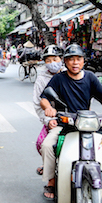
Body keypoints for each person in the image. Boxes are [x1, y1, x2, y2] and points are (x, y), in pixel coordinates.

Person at [38, 44, 102, 199]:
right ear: (65, 62)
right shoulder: (59, 78)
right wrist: (48, 109)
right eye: (71, 59)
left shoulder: (90, 77)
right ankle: (51, 180)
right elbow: (44, 99)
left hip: (87, 122)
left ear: (83, 61)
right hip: (65, 123)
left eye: (78, 59)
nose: (75, 63)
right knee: (47, 146)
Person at [32, 45, 63, 176]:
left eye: (55, 59)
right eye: (48, 60)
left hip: (75, 116)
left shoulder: (72, 74)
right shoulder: (42, 79)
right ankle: (50, 173)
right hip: (53, 118)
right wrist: (48, 120)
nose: (52, 63)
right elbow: (38, 103)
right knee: (43, 144)